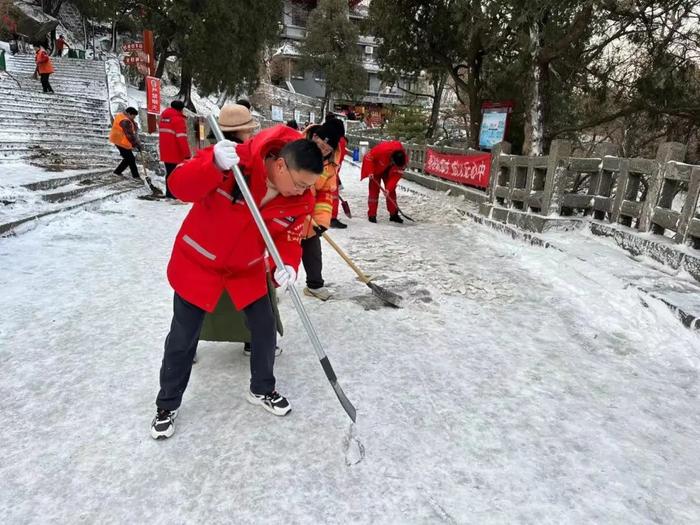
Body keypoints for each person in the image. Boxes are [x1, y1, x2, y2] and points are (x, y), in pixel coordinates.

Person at [150, 125, 324, 439]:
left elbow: (288, 237)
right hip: (199, 263)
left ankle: (261, 388)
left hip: (247, 270)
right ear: (281, 165)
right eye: (299, 183)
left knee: (264, 328)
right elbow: (179, 187)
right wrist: (211, 165)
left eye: (307, 187)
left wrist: (286, 263)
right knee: (183, 337)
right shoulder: (235, 164)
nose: (302, 191)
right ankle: (167, 404)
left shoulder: (300, 199)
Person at [198, 103, 282, 358]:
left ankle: (190, 344)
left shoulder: (213, 153)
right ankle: (250, 341)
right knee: (247, 300)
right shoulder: (217, 157)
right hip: (233, 245)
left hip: (212, 244)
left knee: (200, 301)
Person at [300, 122, 342, 301]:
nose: (323, 150)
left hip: (308, 214)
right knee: (277, 250)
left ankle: (314, 286)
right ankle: (268, 290)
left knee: (312, 248)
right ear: (315, 137)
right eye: (321, 145)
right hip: (283, 210)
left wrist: (322, 220)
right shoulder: (296, 147)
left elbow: (325, 193)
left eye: (327, 148)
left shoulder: (330, 165)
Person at [360, 140, 408, 224]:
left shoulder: (402, 161)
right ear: (392, 158)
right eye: (393, 162)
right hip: (375, 168)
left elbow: (395, 177)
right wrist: (370, 171)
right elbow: (368, 157)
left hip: (389, 172)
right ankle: (372, 215)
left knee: (391, 192)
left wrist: (388, 189)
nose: (393, 163)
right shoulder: (382, 150)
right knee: (373, 192)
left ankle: (394, 215)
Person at [158, 100, 191, 198]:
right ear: (181, 109)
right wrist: (187, 154)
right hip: (176, 152)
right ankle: (174, 195)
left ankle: (169, 193)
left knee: (169, 173)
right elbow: (182, 138)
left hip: (165, 151)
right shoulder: (178, 119)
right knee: (177, 174)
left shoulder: (163, 118)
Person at [324, 116, 348, 229]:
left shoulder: (320, 134)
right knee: (332, 195)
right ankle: (331, 218)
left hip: (324, 169)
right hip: (330, 170)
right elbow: (339, 159)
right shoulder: (340, 141)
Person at [109, 107, 142, 179]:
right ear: (129, 114)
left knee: (128, 158)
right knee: (131, 159)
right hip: (121, 141)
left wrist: (134, 124)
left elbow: (132, 129)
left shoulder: (122, 116)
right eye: (133, 116)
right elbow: (129, 135)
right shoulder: (125, 121)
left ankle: (117, 172)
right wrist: (136, 145)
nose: (134, 118)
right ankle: (136, 176)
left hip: (119, 140)